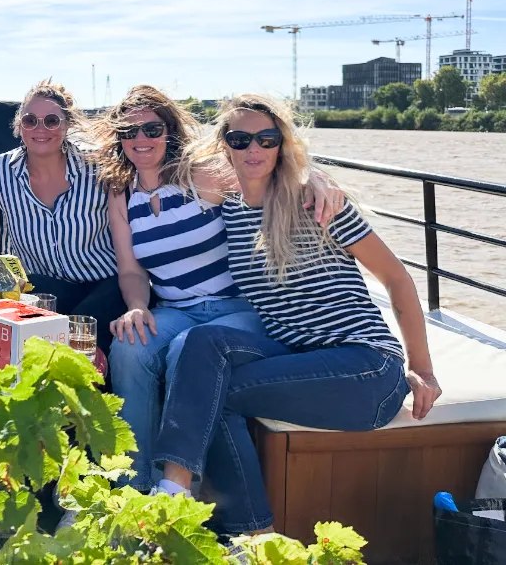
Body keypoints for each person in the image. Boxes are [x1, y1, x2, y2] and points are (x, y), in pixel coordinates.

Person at [151, 94, 442, 537]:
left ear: (281, 144)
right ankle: (198, 506)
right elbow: (153, 163)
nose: (254, 149)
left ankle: (213, 517)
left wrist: (421, 368)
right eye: (240, 138)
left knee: (217, 394)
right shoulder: (227, 204)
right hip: (296, 356)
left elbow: (396, 280)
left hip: (364, 368)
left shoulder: (315, 203)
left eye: (266, 139)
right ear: (224, 145)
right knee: (202, 342)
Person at [98, 85, 341, 492]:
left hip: (237, 308)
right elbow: (130, 270)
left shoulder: (201, 177)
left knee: (188, 351)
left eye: (152, 129)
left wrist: (315, 176)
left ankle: (179, 486)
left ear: (170, 132)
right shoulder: (121, 194)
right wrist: (138, 306)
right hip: (176, 308)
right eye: (129, 131)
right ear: (119, 138)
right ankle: (131, 485)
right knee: (128, 349)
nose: (141, 140)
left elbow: (270, 167)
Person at [0, 80, 124, 344]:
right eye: (30, 120)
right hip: (42, 287)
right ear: (19, 126)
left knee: (79, 335)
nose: (40, 129)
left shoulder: (99, 169)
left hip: (103, 285)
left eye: (51, 121)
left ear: (67, 124)